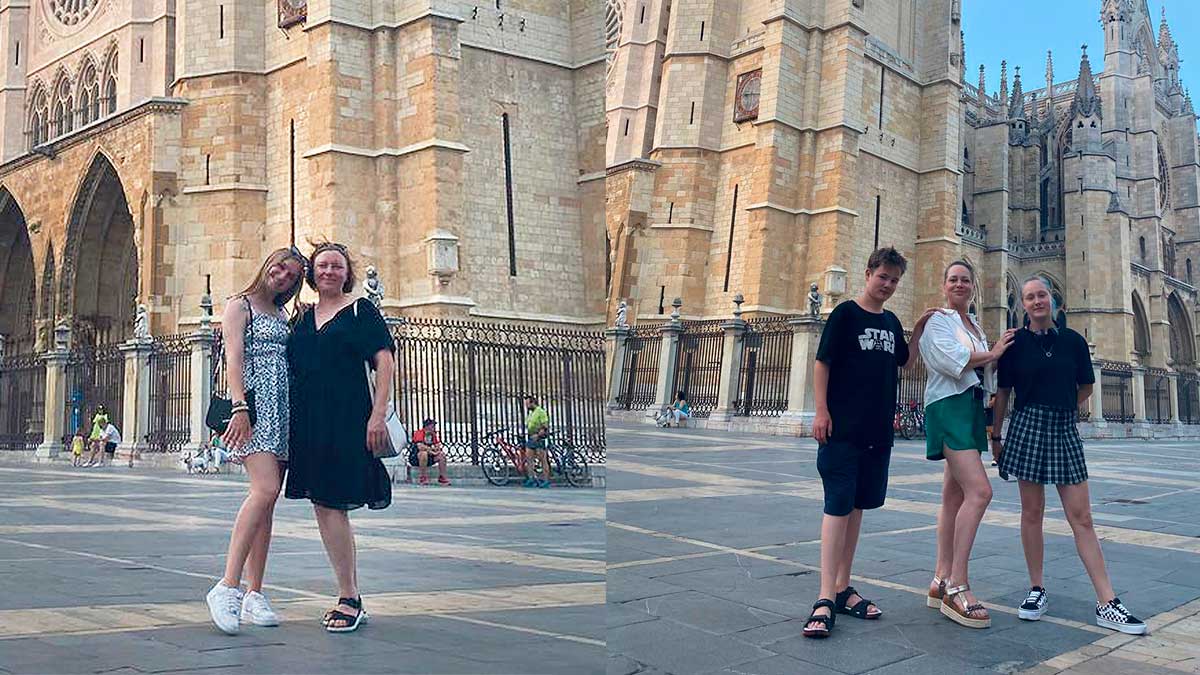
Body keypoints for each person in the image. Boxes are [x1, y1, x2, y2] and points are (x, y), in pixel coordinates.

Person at [993, 276, 1147, 635]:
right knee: (1032, 513)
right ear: (1023, 304)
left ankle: (1107, 601)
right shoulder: (1014, 344)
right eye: (1029, 297)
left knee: (1083, 517)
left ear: (1054, 301)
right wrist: (996, 438)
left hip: (1063, 428)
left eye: (1042, 295)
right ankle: (1036, 589)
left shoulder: (1074, 342)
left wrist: (1063, 409)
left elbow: (1087, 386)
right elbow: (1002, 393)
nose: (1036, 302)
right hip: (1027, 425)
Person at [803, 247, 934, 638]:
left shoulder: (892, 321)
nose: (888, 285)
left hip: (878, 433)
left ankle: (843, 587)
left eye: (894, 281)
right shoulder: (845, 314)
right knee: (837, 507)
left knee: (858, 508)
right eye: (883, 278)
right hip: (841, 429)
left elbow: (903, 363)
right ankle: (825, 596)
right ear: (868, 274)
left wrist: (919, 330)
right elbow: (822, 362)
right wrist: (821, 411)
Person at [286, 241, 395, 633]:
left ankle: (350, 595)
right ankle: (348, 593)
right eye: (322, 266)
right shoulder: (301, 317)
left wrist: (378, 414)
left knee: (334, 503)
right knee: (324, 505)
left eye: (336, 266)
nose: (329, 271)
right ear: (312, 275)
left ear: (347, 272)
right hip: (308, 422)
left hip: (348, 418)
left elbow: (384, 361)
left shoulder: (360, 310)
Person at [204, 247, 306, 636]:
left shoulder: (282, 314)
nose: (282, 276)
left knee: (268, 503)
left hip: (282, 407)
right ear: (266, 264)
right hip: (254, 407)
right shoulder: (238, 305)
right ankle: (227, 586)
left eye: (292, 276)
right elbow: (233, 357)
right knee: (263, 490)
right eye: (279, 268)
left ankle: (255, 593)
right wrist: (240, 407)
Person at [919, 260, 1015, 629]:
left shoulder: (972, 324)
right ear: (944, 285)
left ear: (974, 286)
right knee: (980, 492)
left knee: (954, 496)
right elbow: (950, 362)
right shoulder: (936, 321)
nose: (959, 285)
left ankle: (940, 578)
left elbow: (985, 374)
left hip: (971, 408)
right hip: (949, 408)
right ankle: (958, 585)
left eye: (965, 280)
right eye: (953, 279)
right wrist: (992, 352)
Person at [409, 418, 450, 485]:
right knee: (423, 454)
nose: (434, 427)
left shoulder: (433, 435)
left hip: (429, 457)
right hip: (416, 458)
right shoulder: (419, 433)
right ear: (427, 426)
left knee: (441, 455)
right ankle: (423, 477)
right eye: (432, 426)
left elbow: (438, 445)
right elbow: (420, 447)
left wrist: (437, 450)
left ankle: (442, 477)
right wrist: (432, 452)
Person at [522, 395, 551, 488]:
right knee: (529, 459)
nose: (526, 406)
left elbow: (545, 426)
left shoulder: (541, 412)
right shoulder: (531, 413)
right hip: (531, 437)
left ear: (532, 403)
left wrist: (538, 435)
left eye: (527, 403)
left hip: (539, 438)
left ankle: (546, 480)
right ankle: (531, 479)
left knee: (542, 459)